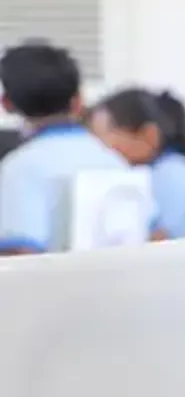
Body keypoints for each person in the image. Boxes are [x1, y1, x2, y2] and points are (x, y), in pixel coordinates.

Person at [0, 41, 133, 254]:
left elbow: (19, 251)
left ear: (6, 103)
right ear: (78, 100)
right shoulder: (114, 160)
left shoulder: (19, 168)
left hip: (49, 286)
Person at [89, 88, 185, 238]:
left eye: (102, 138)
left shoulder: (168, 175)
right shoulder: (167, 168)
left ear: (148, 135)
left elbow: (159, 241)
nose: (97, 148)